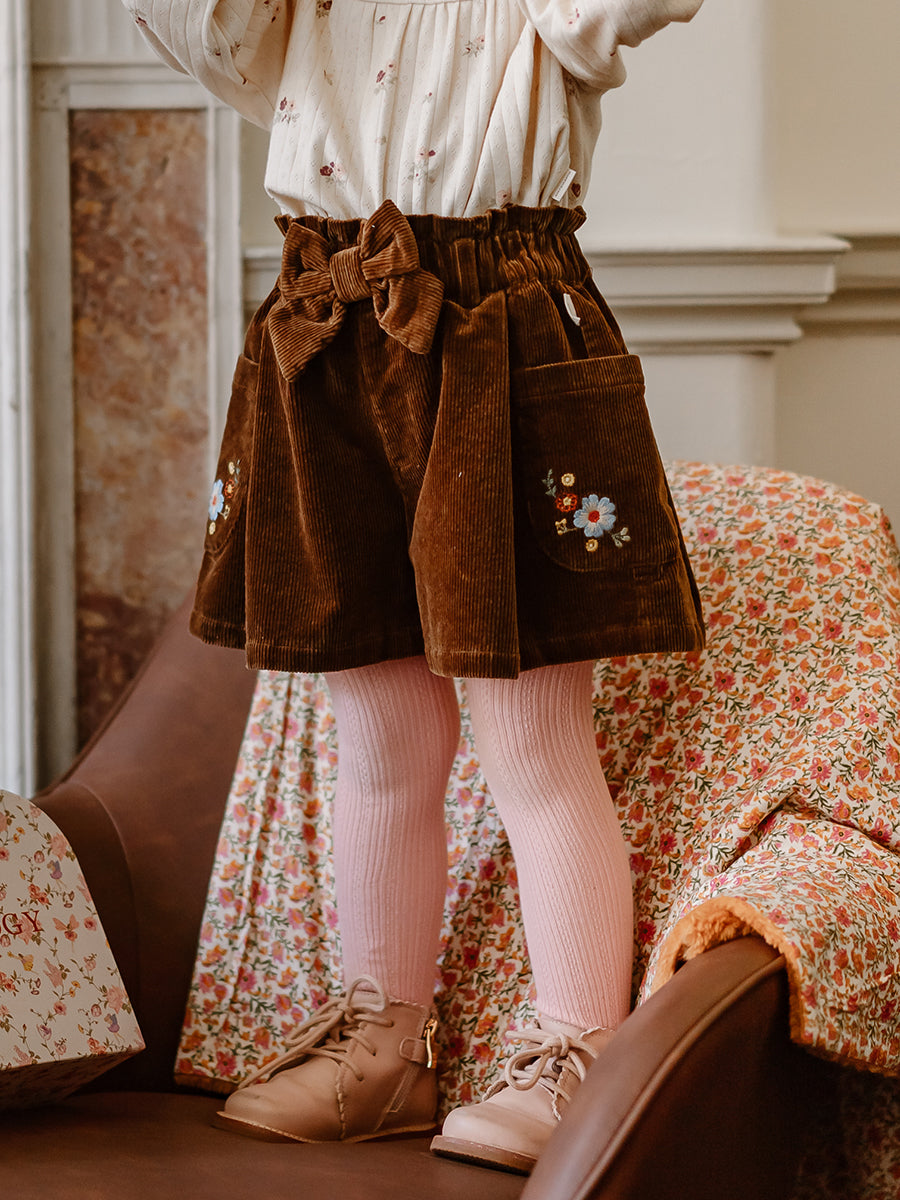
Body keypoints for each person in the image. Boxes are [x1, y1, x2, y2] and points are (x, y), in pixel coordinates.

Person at [123, 0, 705, 1174]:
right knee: (380, 732)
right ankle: (385, 1040)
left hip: (502, 318)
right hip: (325, 318)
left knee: (532, 734)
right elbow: (204, 31)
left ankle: (577, 1049)